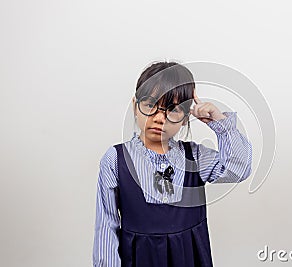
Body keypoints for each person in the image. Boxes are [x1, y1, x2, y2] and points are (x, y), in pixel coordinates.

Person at [92, 61, 252, 267]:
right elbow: (106, 227)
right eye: (150, 105)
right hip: (138, 259)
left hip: (189, 258)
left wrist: (219, 123)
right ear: (135, 106)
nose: (160, 118)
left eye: (173, 110)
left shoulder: (195, 157)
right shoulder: (115, 160)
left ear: (185, 118)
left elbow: (239, 169)